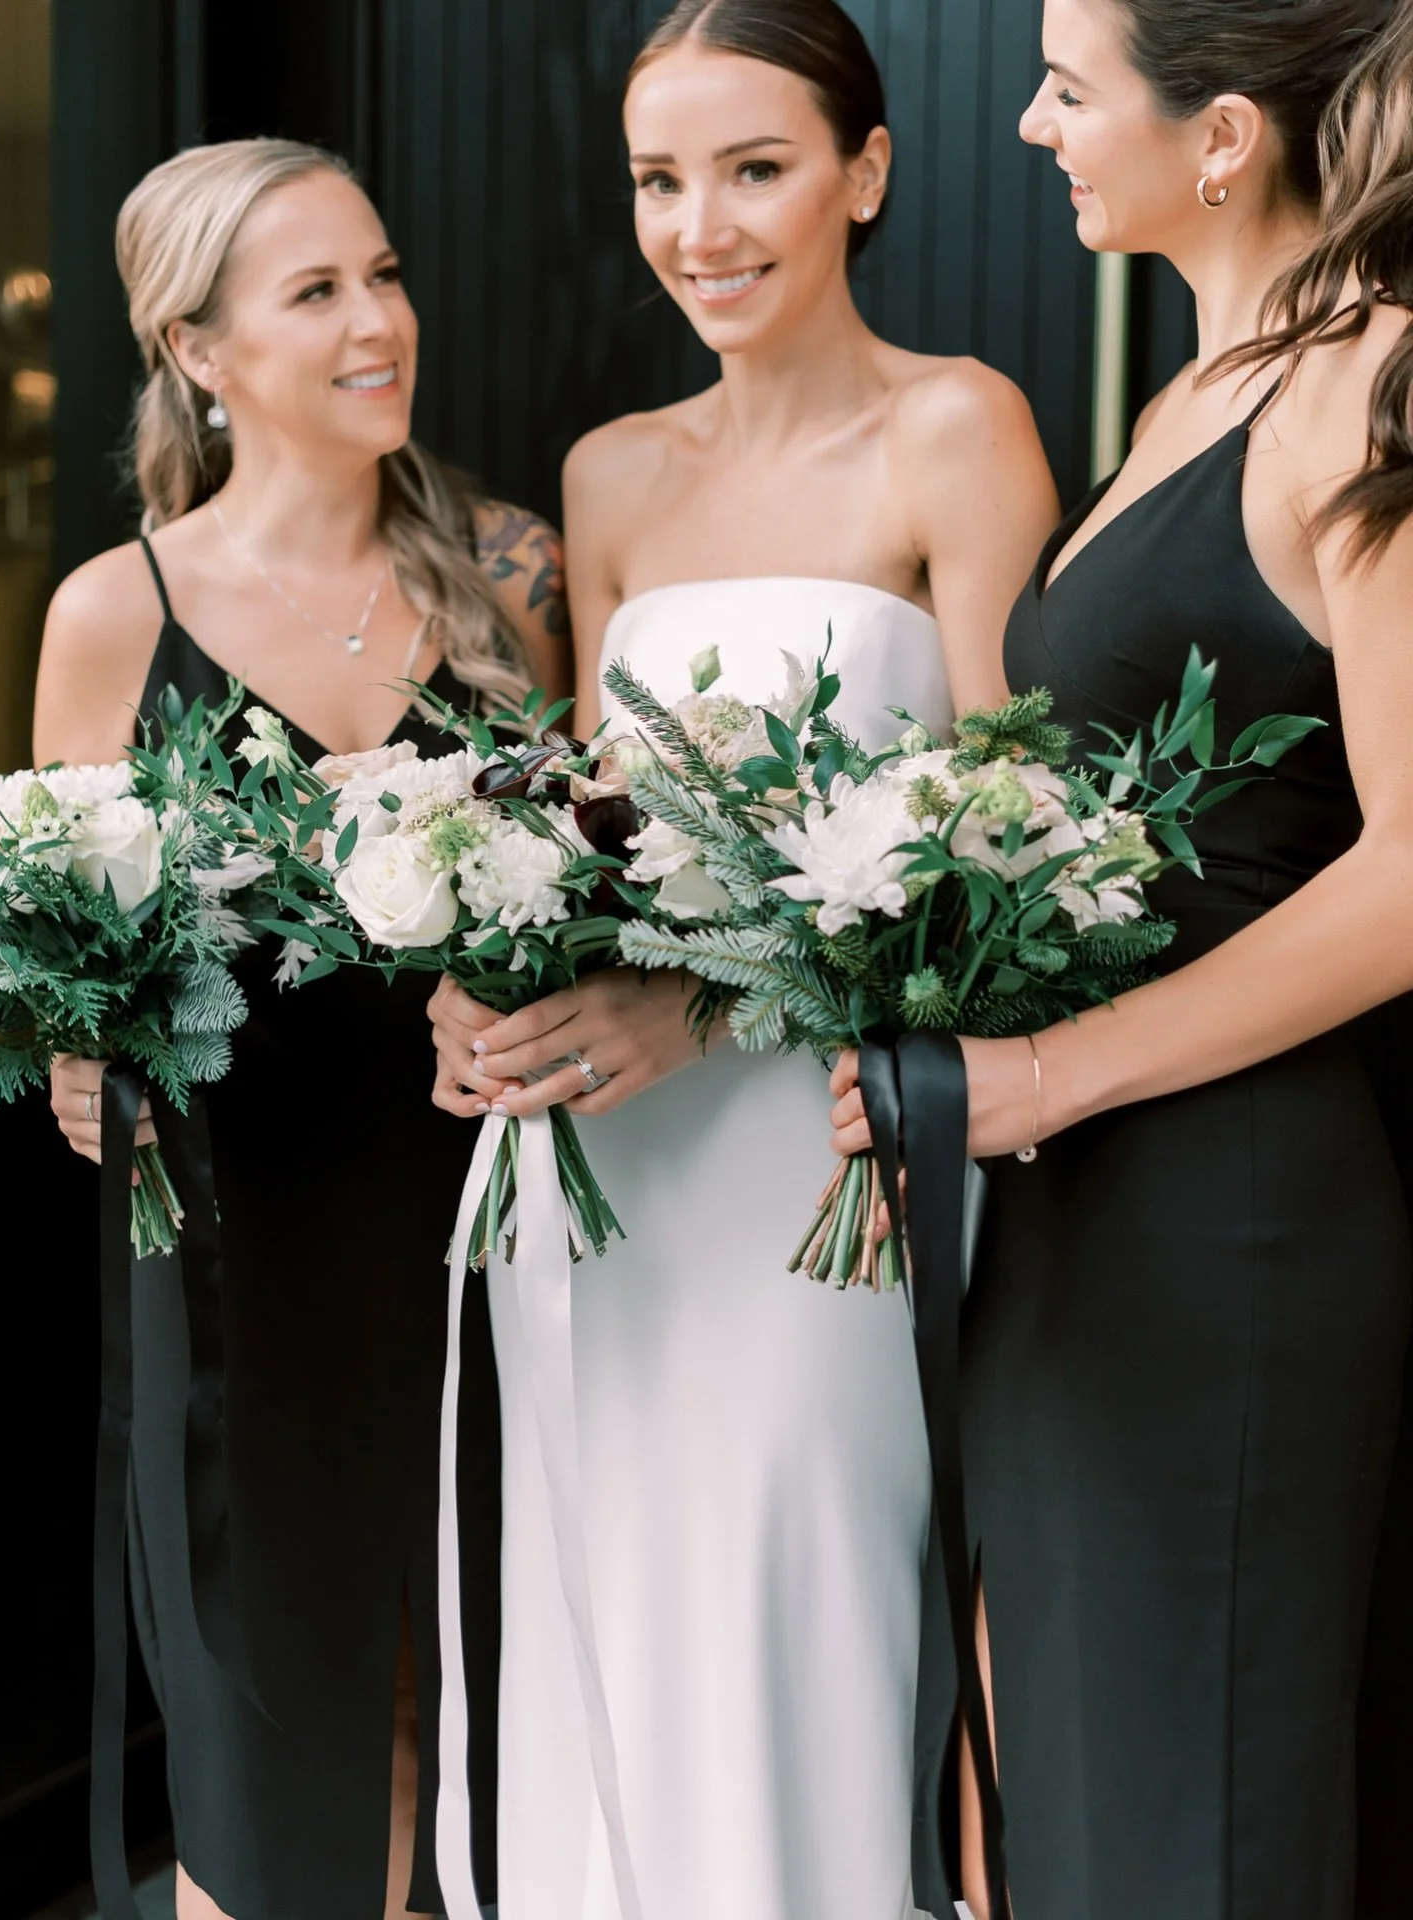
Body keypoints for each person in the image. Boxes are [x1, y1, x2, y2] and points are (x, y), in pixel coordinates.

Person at [427, 4, 1058, 1916]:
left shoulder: (959, 427)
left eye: (755, 167)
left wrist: (709, 1004)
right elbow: (589, 825)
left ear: (863, 174)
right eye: (658, 178)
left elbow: (1017, 870)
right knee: (594, 1594)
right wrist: (484, 984)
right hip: (597, 1167)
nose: (699, 224)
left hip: (825, 1171)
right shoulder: (608, 475)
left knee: (806, 1602)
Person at [828, 2, 1413, 1915]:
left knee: (1197, 1808)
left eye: (1071, 88)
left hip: (1232, 1221)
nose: (1027, 123)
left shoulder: (1373, 387)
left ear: (1226, 135)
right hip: (1082, 1208)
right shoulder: (1191, 399)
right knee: (1081, 1797)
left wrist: (1045, 1077)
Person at [35, 138, 569, 1920]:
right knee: (273, 1735)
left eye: (387, 276)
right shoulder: (123, 611)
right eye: (318, 292)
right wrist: (77, 1053)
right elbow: (61, 953)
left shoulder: (510, 581)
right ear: (200, 350)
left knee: (456, 1689)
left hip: (487, 1227)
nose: (378, 322)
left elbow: (585, 898)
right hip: (241, 1263)